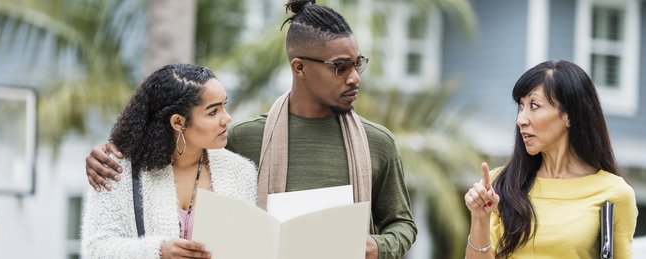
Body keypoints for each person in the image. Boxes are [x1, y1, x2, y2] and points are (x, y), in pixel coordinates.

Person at [83, 1, 417, 258]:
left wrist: (378, 247)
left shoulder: (378, 143)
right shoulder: (243, 140)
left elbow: (403, 225)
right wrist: (107, 154)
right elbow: (172, 157)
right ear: (299, 68)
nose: (355, 77)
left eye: (357, 64)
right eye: (340, 67)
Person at [463, 60, 637, 259]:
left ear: (569, 115)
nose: (521, 119)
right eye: (521, 107)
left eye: (534, 106)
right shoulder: (499, 184)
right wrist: (480, 218)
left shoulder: (614, 193)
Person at [81, 64, 257, 258]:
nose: (227, 119)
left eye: (224, 105)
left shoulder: (241, 172)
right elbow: (96, 249)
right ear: (178, 122)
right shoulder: (116, 169)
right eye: (213, 112)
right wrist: (158, 251)